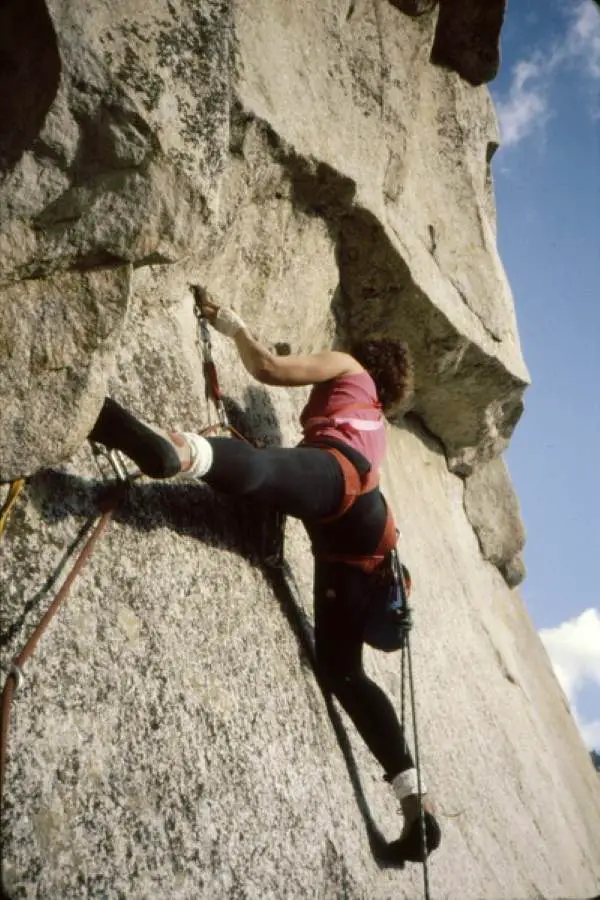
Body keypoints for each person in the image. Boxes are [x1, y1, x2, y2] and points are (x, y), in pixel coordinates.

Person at [88, 289, 441, 863]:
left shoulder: (349, 368)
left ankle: (175, 455)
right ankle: (415, 804)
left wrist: (231, 323)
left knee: (259, 469)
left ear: (363, 357)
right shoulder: (375, 420)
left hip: (338, 488)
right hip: (361, 543)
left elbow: (270, 369)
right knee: (342, 671)